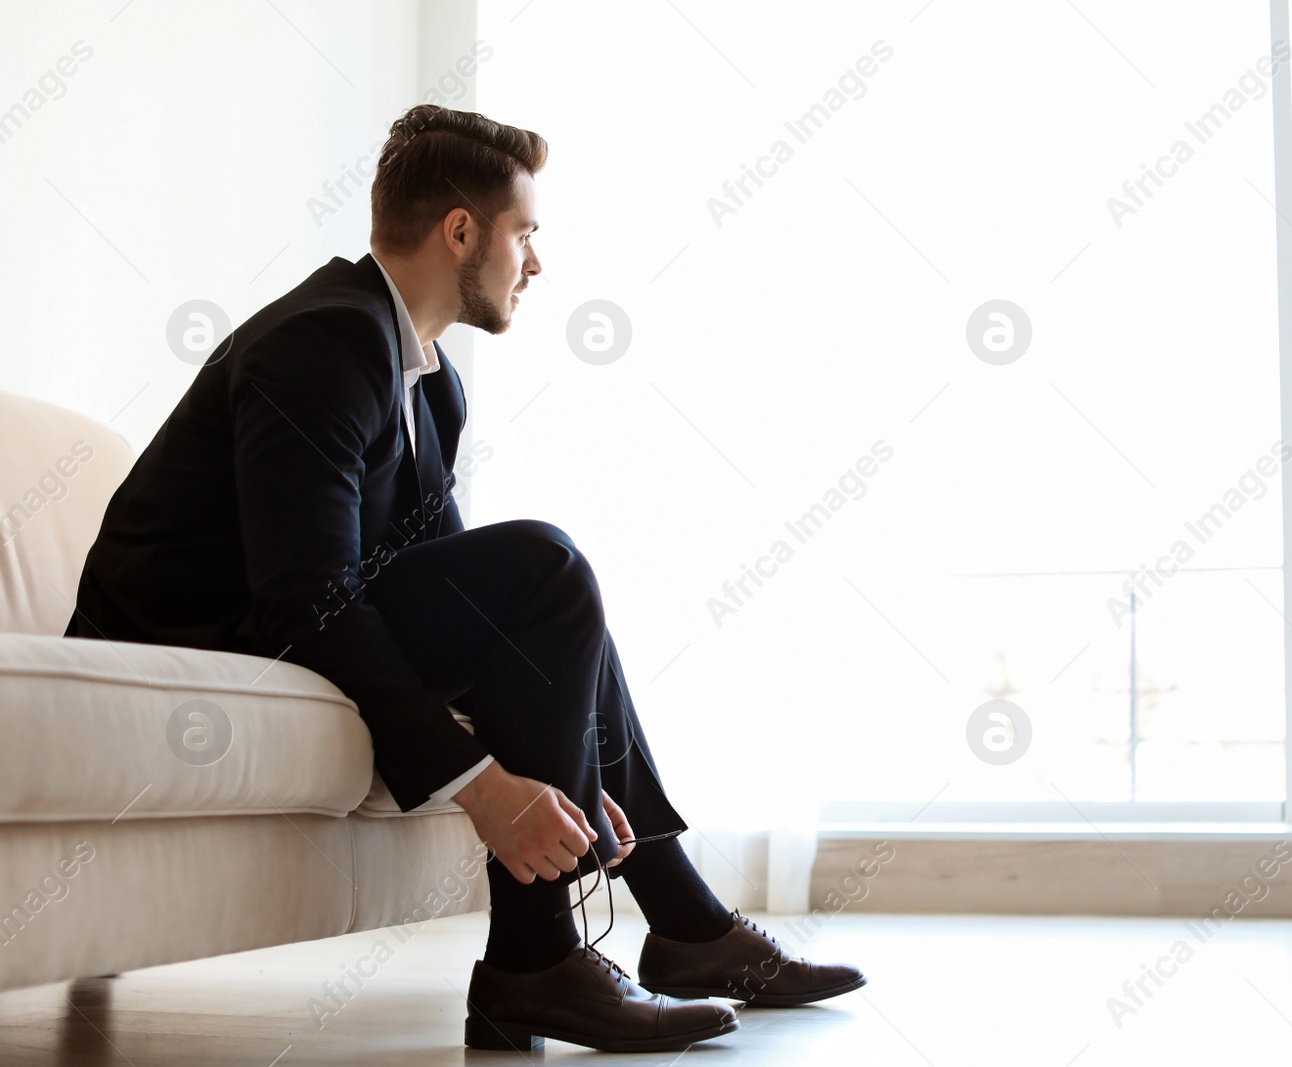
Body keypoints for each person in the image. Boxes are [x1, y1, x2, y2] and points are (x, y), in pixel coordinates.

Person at [65, 104, 863, 1054]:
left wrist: (562, 760)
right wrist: (483, 782)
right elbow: (305, 594)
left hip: (277, 614)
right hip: (187, 637)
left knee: (553, 590)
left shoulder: (427, 378)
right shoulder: (321, 344)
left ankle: (681, 923)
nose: (535, 262)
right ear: (460, 230)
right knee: (545, 562)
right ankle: (546, 963)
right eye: (525, 233)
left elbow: (451, 595)